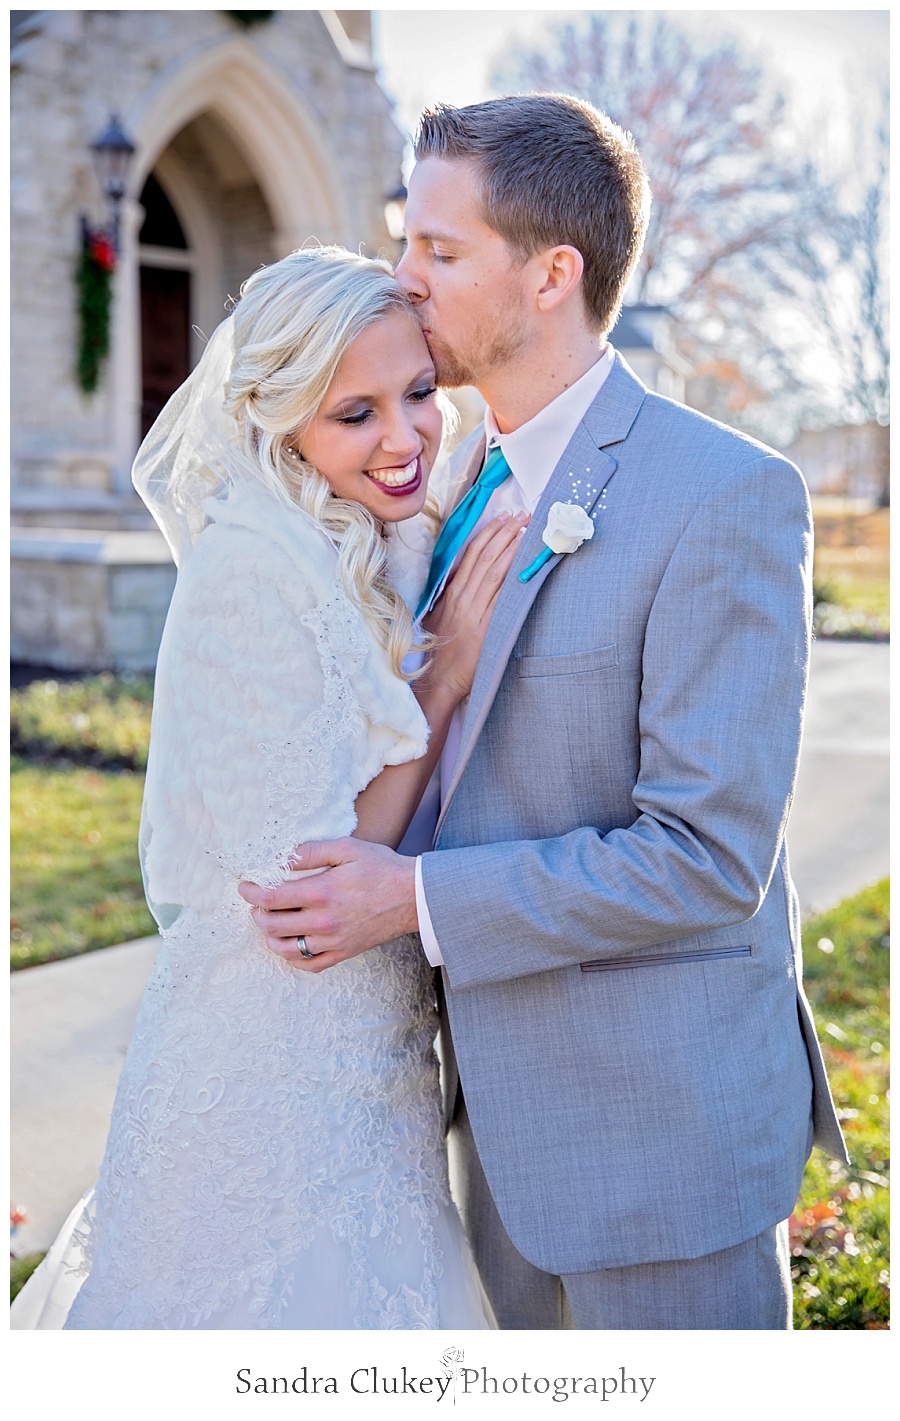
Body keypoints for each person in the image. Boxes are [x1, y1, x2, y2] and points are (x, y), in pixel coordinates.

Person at [240, 95, 848, 1331]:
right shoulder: (451, 472)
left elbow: (707, 857)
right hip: (485, 1142)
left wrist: (406, 898)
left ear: (551, 274)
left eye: (439, 251)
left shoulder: (722, 495)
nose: (402, 280)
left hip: (658, 1142)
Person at [11, 245, 528, 1330]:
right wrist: (443, 673)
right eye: (356, 413)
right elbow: (302, 901)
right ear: (283, 419)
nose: (404, 438)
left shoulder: (372, 532)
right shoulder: (248, 571)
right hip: (267, 1073)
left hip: (375, 1070)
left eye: (420, 391)